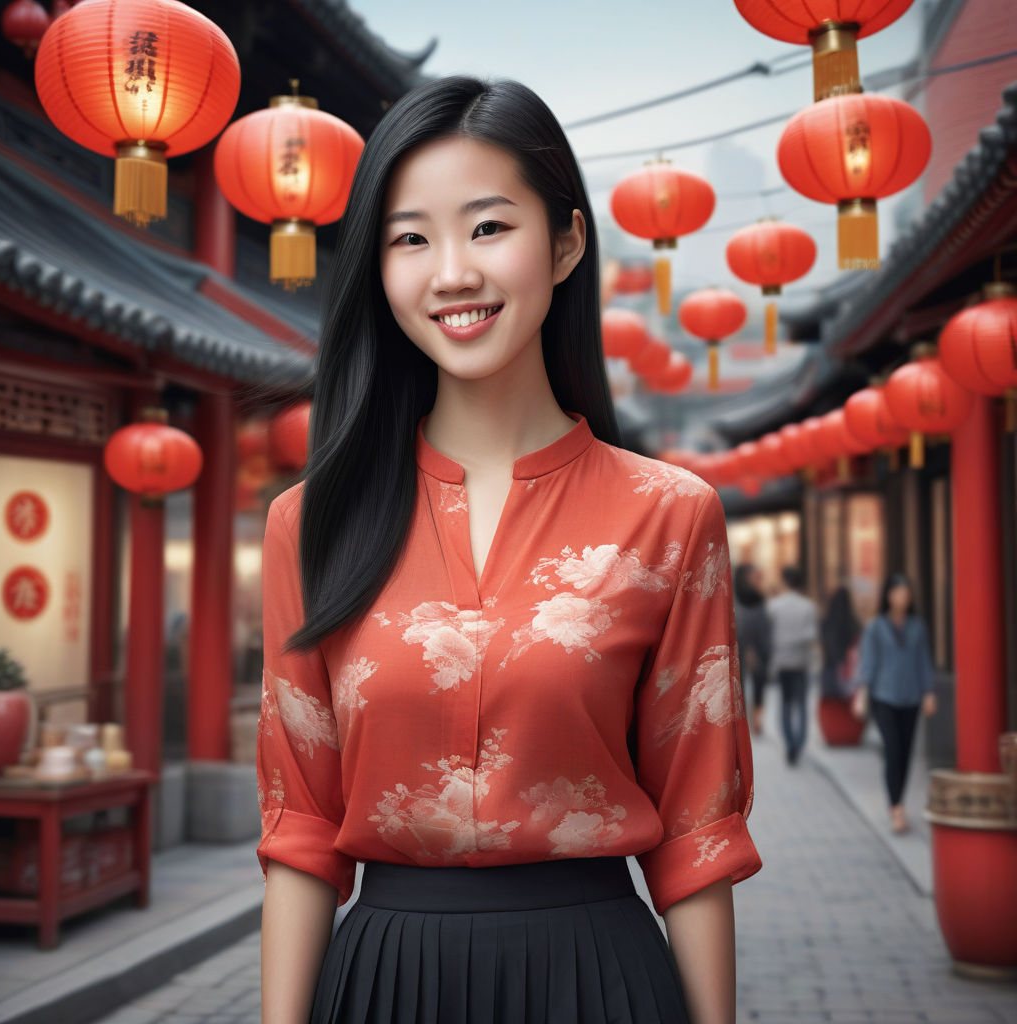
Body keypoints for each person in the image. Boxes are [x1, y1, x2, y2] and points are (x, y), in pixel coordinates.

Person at [256, 75, 762, 1024]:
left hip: (597, 980)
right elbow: (301, 829)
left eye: (489, 227)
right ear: (378, 268)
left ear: (566, 240)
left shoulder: (669, 514)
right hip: (382, 983)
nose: (452, 272)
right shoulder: (310, 522)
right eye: (411, 239)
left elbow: (698, 831)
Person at [852, 572, 937, 833]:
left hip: (911, 697)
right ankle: (896, 806)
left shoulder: (917, 626)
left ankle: (898, 801)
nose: (903, 597)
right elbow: (868, 661)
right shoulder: (876, 626)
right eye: (898, 592)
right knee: (893, 751)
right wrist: (862, 692)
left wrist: (929, 692)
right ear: (889, 595)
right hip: (884, 697)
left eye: (906, 593)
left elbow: (923, 661)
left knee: (906, 752)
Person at [766, 566, 819, 766]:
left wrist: (781, 643)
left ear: (784, 581)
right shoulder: (808, 606)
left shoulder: (774, 606)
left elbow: (769, 636)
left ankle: (790, 744)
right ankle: (798, 744)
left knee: (786, 704)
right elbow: (812, 635)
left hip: (782, 662)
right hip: (801, 662)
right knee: (801, 705)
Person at [733, 563, 771, 737]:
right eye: (753, 576)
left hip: (759, 646)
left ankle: (756, 719)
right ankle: (743, 720)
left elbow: (765, 626)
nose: (757, 579)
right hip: (740, 646)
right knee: (738, 684)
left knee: (759, 684)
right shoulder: (734, 598)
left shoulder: (759, 598)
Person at [820, 581, 861, 702]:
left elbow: (824, 647)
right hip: (849, 671)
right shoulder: (854, 623)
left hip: (830, 670)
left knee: (832, 709)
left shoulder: (826, 622)